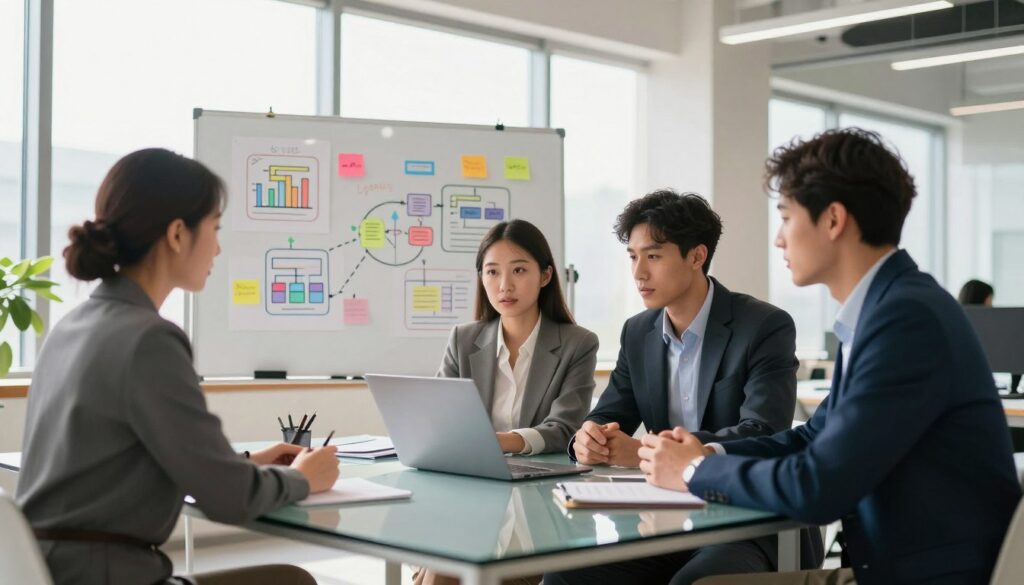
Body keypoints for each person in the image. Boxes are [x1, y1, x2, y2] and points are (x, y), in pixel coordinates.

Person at [639, 129, 1022, 585]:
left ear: (834, 220)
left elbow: (819, 485)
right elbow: (812, 437)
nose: (779, 239)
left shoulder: (905, 318)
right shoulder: (882, 308)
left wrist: (697, 470)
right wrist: (708, 451)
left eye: (786, 216)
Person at [16, 148, 341, 585]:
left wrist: (243, 461)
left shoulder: (72, 326)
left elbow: (129, 457)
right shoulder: (149, 339)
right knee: (290, 581)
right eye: (215, 227)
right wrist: (303, 479)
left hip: (47, 571)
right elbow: (230, 500)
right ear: (176, 234)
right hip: (106, 576)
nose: (218, 246)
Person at [545, 190, 821, 585]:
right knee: (563, 575)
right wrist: (588, 438)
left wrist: (642, 451)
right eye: (633, 256)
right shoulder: (638, 332)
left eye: (653, 256)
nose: (638, 273)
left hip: (745, 520)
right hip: (663, 518)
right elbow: (609, 414)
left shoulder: (763, 326)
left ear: (696, 256)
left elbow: (762, 430)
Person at [415, 219, 599, 585]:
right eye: (492, 272)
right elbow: (439, 417)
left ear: (545, 276)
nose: (505, 285)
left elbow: (565, 429)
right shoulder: (464, 339)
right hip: (470, 493)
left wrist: (502, 441)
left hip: (540, 500)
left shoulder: (578, 343)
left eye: (519, 270)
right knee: (442, 568)